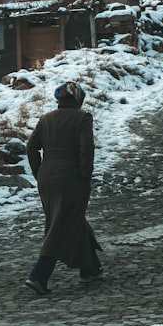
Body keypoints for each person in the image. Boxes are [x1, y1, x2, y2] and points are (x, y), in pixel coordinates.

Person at [23, 80, 103, 295]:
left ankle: (91, 267)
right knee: (60, 225)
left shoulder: (46, 119)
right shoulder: (82, 118)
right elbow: (86, 149)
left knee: (69, 218)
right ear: (78, 99)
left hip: (47, 179)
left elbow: (31, 147)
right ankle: (38, 275)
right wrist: (85, 175)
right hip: (71, 178)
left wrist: (39, 173)